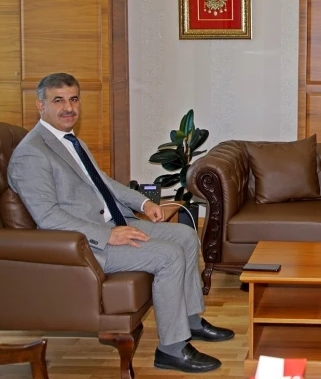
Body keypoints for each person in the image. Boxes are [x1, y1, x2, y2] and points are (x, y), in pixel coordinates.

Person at [8, 73, 234, 374]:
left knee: (185, 235)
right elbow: (48, 216)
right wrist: (107, 235)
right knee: (168, 255)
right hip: (84, 244)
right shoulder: (31, 153)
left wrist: (144, 203)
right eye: (58, 100)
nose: (69, 108)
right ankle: (172, 349)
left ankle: (190, 320)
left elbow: (103, 182)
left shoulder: (69, 141)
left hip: (112, 222)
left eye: (73, 99)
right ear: (41, 105)